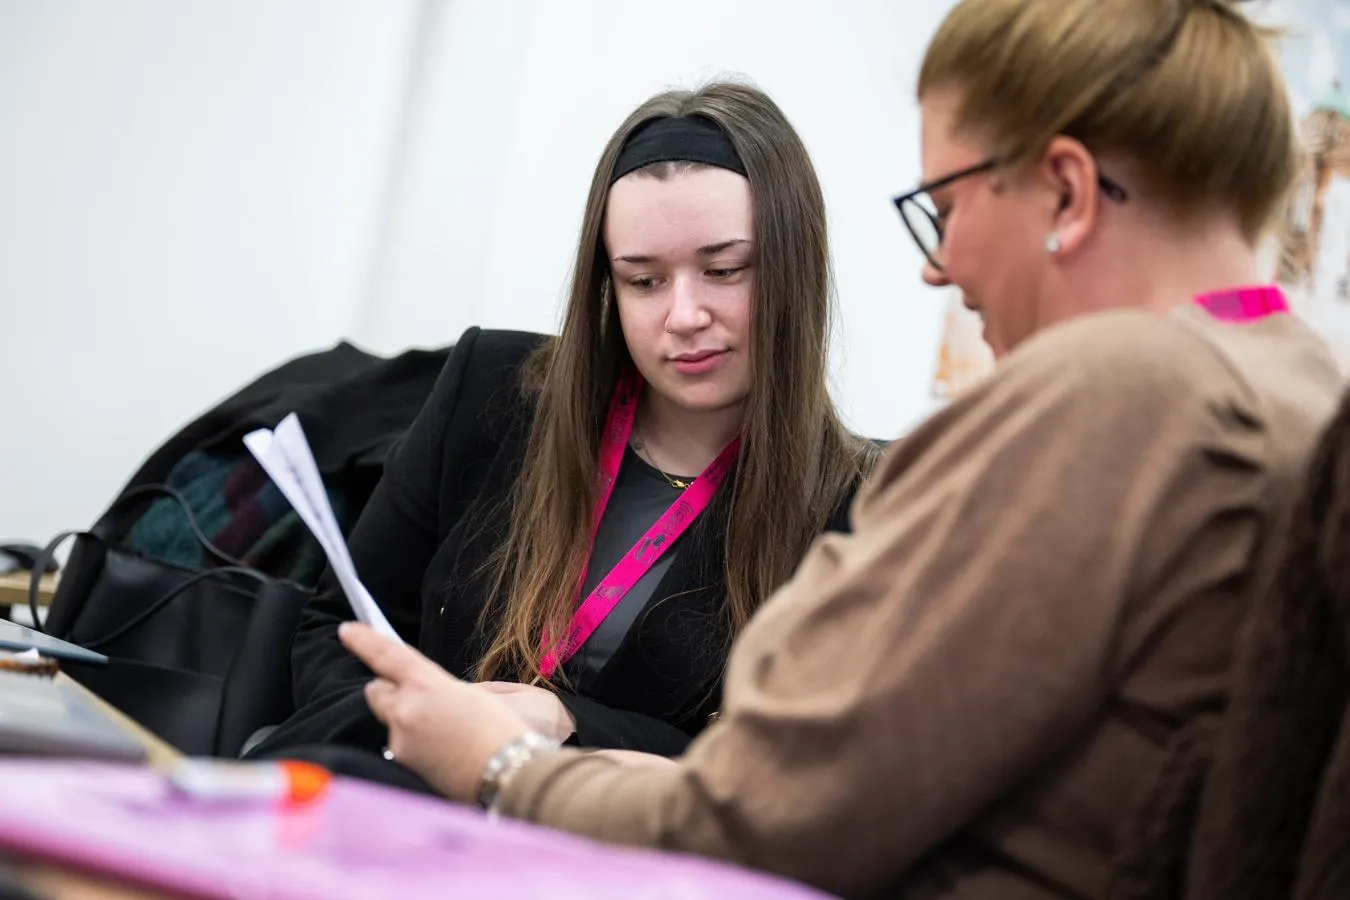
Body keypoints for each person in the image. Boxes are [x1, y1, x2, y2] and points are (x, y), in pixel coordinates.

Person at [335, 0, 1347, 896]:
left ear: (1069, 193)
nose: (939, 267)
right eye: (642, 280)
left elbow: (760, 827)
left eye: (945, 208)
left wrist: (500, 766)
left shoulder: (1104, 397)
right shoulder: (1303, 386)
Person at [250, 81, 881, 783]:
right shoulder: (491, 388)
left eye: (724, 270)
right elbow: (338, 632)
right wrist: (416, 743)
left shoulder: (855, 510)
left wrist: (564, 726)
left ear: (795, 269)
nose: (683, 315)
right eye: (642, 280)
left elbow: (782, 775)